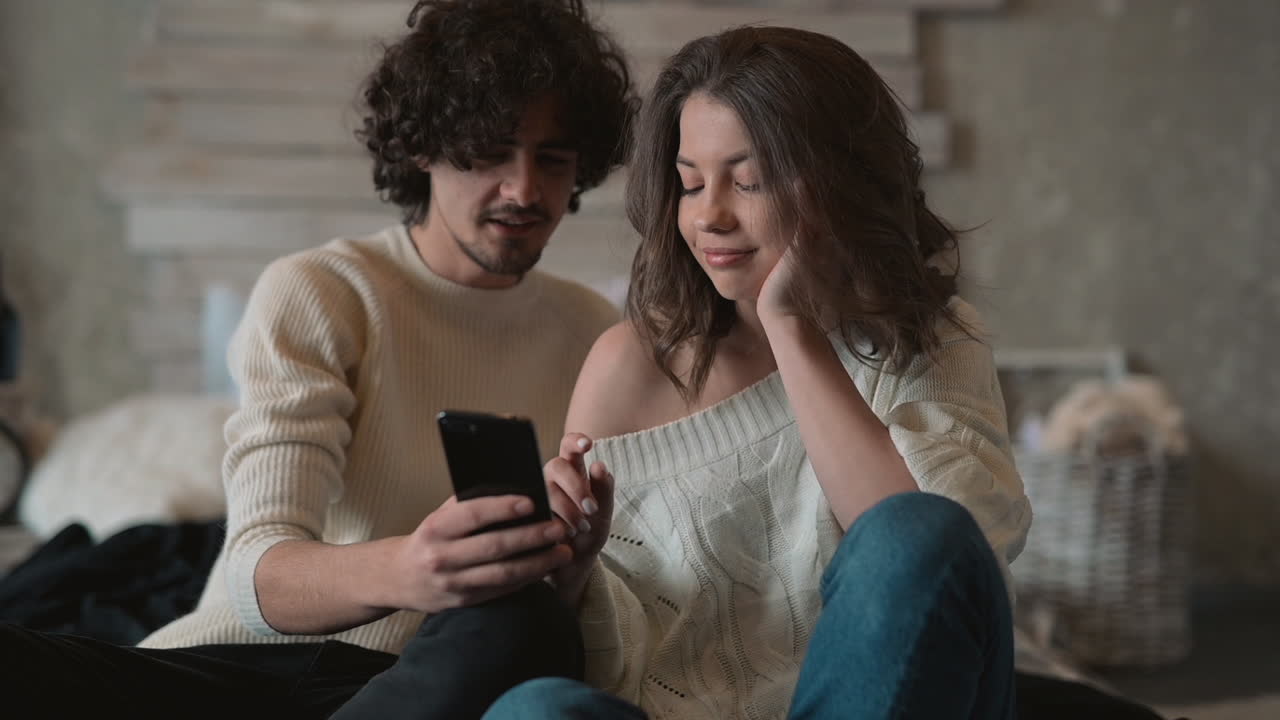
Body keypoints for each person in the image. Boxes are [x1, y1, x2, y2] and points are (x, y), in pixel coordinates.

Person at [0, 1, 635, 717]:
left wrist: (573, 565)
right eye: (488, 151)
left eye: (552, 158)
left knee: (526, 623)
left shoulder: (593, 330)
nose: (524, 189)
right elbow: (254, 570)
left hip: (435, 673)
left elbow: (577, 610)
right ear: (423, 148)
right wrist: (412, 570)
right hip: (236, 669)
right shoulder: (326, 292)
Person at [483, 25, 1035, 719]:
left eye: (750, 181)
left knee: (917, 533)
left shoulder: (932, 343)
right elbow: (609, 657)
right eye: (689, 185)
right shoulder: (629, 367)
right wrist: (573, 573)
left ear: (841, 181)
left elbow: (942, 569)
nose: (709, 215)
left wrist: (791, 326)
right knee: (534, 710)